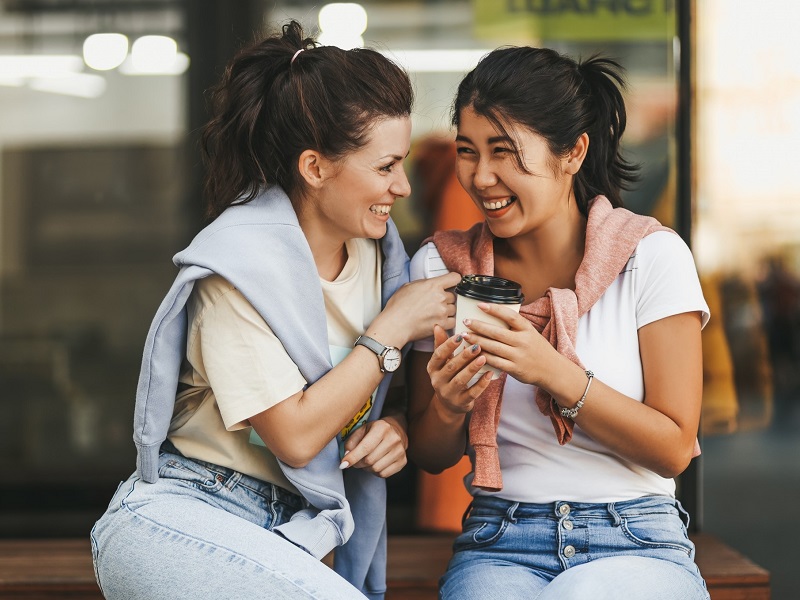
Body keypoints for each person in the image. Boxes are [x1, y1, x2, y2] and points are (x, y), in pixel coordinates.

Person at [90, 21, 459, 600]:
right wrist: (391, 330)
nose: (405, 187)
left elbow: (386, 399)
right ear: (314, 168)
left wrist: (394, 428)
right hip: (189, 514)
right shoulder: (236, 271)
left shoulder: (380, 258)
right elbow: (295, 436)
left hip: (297, 531)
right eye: (386, 167)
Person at [407, 46, 711, 599]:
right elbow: (429, 456)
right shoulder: (443, 267)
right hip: (499, 538)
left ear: (572, 153)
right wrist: (449, 404)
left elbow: (673, 446)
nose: (480, 177)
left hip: (635, 535)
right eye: (467, 152)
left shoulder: (649, 256)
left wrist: (553, 372)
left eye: (503, 152)